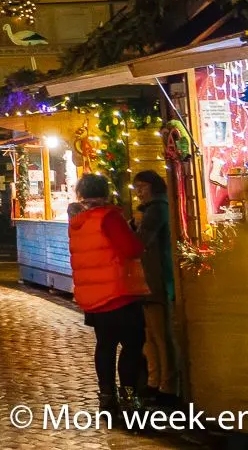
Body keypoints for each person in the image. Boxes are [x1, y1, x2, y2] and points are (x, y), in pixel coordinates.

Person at [68, 173, 148, 412]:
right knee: (132, 345)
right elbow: (132, 249)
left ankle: (106, 396)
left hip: (93, 295)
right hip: (118, 292)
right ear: (105, 192)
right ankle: (129, 394)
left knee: (105, 345)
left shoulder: (78, 221)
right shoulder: (109, 217)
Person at [131, 170, 175, 408]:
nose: (138, 192)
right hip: (149, 281)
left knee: (159, 334)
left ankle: (165, 383)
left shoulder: (155, 210)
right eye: (136, 187)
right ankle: (155, 379)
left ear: (153, 187)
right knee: (152, 334)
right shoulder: (151, 210)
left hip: (155, 280)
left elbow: (140, 243)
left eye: (142, 186)